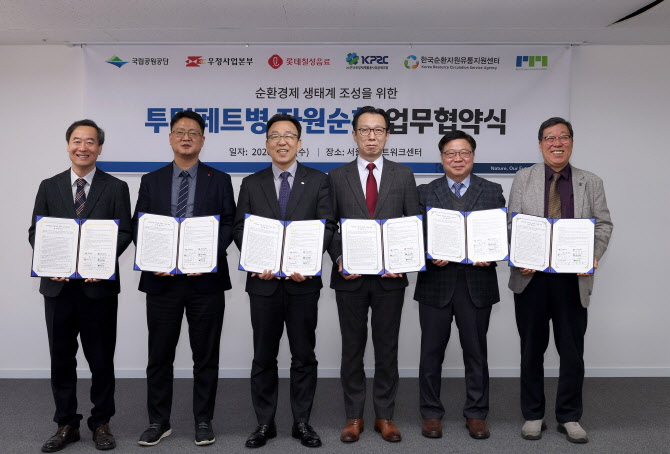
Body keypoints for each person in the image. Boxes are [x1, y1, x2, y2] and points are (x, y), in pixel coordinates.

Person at [233, 113, 337, 449]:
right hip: (263, 284)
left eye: (289, 135)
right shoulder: (252, 183)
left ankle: (302, 422)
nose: (282, 141)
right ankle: (264, 423)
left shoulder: (318, 181)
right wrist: (255, 259)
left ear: (299, 143)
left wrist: (308, 262)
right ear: (266, 144)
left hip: (302, 283)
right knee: (263, 356)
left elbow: (328, 225)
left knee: (303, 354)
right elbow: (240, 228)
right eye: (275, 136)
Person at [132, 110, 236, 447]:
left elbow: (229, 224)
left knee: (205, 356)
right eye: (180, 131)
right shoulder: (152, 180)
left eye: (193, 132)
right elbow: (139, 225)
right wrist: (153, 259)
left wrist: (205, 259)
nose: (186, 137)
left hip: (205, 282)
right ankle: (158, 421)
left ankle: (203, 420)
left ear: (203, 140)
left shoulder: (220, 180)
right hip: (162, 281)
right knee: (159, 355)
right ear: (170, 138)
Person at [29, 119, 132, 452]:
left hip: (97, 288)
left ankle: (101, 423)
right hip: (58, 289)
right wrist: (51, 262)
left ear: (99, 148)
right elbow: (36, 231)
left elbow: (125, 232)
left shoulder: (116, 187)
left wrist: (100, 263)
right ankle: (66, 424)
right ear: (68, 145)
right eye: (77, 141)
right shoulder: (49, 186)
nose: (83, 147)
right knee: (61, 359)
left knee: (101, 360)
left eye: (90, 142)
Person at [508, 117, 613, 443]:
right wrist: (519, 256)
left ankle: (569, 416)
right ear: (540, 144)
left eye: (563, 137)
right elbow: (511, 224)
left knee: (571, 352)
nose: (557, 143)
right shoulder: (523, 178)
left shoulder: (590, 181)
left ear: (571, 142)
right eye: (550, 138)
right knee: (531, 350)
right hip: (532, 279)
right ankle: (533, 414)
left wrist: (592, 254)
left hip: (572, 280)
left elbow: (604, 225)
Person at [327, 106, 420, 443]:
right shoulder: (336, 176)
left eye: (378, 130)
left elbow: (413, 223)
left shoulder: (403, 174)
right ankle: (354, 416)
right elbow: (329, 225)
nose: (371, 136)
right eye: (364, 130)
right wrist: (339, 257)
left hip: (389, 279)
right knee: (352, 348)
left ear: (387, 136)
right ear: (354, 135)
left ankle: (384, 416)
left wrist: (403, 260)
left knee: (386, 348)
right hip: (349, 278)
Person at [414, 130, 505, 440]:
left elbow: (500, 234)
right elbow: (415, 234)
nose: (457, 158)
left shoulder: (492, 190)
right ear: (441, 158)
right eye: (451, 153)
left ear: (473, 156)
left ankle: (476, 414)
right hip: (435, 283)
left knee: (476, 353)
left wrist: (490, 254)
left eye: (464, 152)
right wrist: (429, 253)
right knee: (431, 354)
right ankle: (431, 413)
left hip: (476, 284)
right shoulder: (425, 192)